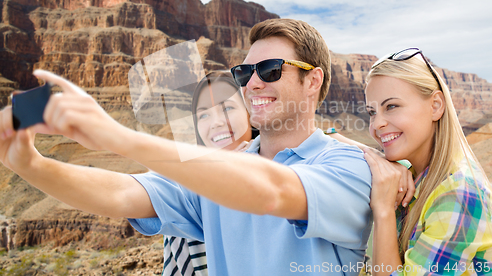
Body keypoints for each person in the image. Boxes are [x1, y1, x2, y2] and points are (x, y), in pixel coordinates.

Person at [0, 18, 377, 275]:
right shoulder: (212, 175)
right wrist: (31, 164)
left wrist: (113, 135)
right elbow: (121, 193)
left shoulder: (347, 165)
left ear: (313, 82)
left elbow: (272, 192)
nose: (253, 84)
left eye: (270, 69)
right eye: (244, 73)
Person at [363, 48, 492, 275]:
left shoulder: (460, 193)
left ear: (435, 106)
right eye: (371, 112)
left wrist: (384, 210)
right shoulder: (417, 174)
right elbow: (334, 139)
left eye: (392, 106)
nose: (377, 124)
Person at [162, 71, 253, 276]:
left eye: (227, 108)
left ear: (250, 113)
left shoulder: (289, 171)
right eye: (203, 114)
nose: (216, 123)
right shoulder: (189, 200)